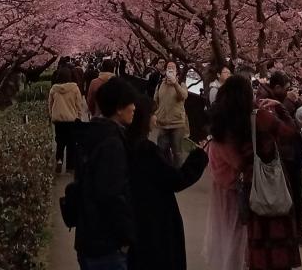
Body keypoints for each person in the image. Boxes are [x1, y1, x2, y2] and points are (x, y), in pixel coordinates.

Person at [125, 89, 208, 270]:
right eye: (152, 114)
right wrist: (199, 157)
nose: (155, 118)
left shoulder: (125, 143)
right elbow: (176, 180)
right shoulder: (146, 150)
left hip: (135, 219)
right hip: (155, 220)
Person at [74, 76, 138, 270]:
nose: (134, 108)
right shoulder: (112, 144)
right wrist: (127, 236)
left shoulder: (93, 134)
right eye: (131, 103)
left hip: (88, 236)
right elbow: (111, 195)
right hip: (106, 244)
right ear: (119, 108)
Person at [248, 81, 302, 270]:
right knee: (276, 231)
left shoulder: (236, 118)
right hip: (270, 180)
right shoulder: (262, 117)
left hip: (250, 182)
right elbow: (290, 131)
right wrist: (280, 108)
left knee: (257, 236)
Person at [204, 74, 251, 270]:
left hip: (220, 184)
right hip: (235, 189)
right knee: (236, 234)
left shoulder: (219, 123)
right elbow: (239, 163)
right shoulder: (237, 129)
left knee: (223, 231)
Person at [264, 72, 302, 248]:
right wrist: (287, 103)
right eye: (286, 88)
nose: (289, 91)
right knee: (287, 195)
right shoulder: (267, 100)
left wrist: (298, 102)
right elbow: (280, 123)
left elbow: (298, 120)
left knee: (298, 195)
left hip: (294, 153)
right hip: (284, 155)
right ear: (277, 88)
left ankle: (297, 231)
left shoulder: (286, 102)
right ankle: (288, 232)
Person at [50, 64, 87, 172]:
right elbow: (78, 103)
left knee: (60, 141)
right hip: (71, 119)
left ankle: (59, 160)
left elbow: (50, 104)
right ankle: (70, 166)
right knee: (71, 143)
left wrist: (52, 115)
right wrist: (79, 116)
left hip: (59, 119)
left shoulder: (54, 89)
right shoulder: (74, 88)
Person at [153, 61, 188, 166]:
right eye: (168, 67)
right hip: (162, 123)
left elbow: (184, 96)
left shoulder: (181, 84)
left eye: (173, 68)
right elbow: (155, 100)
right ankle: (166, 170)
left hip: (177, 124)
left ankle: (178, 173)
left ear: (177, 71)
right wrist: (157, 114)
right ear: (165, 70)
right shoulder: (160, 84)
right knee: (161, 150)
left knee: (177, 152)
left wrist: (175, 83)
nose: (170, 69)